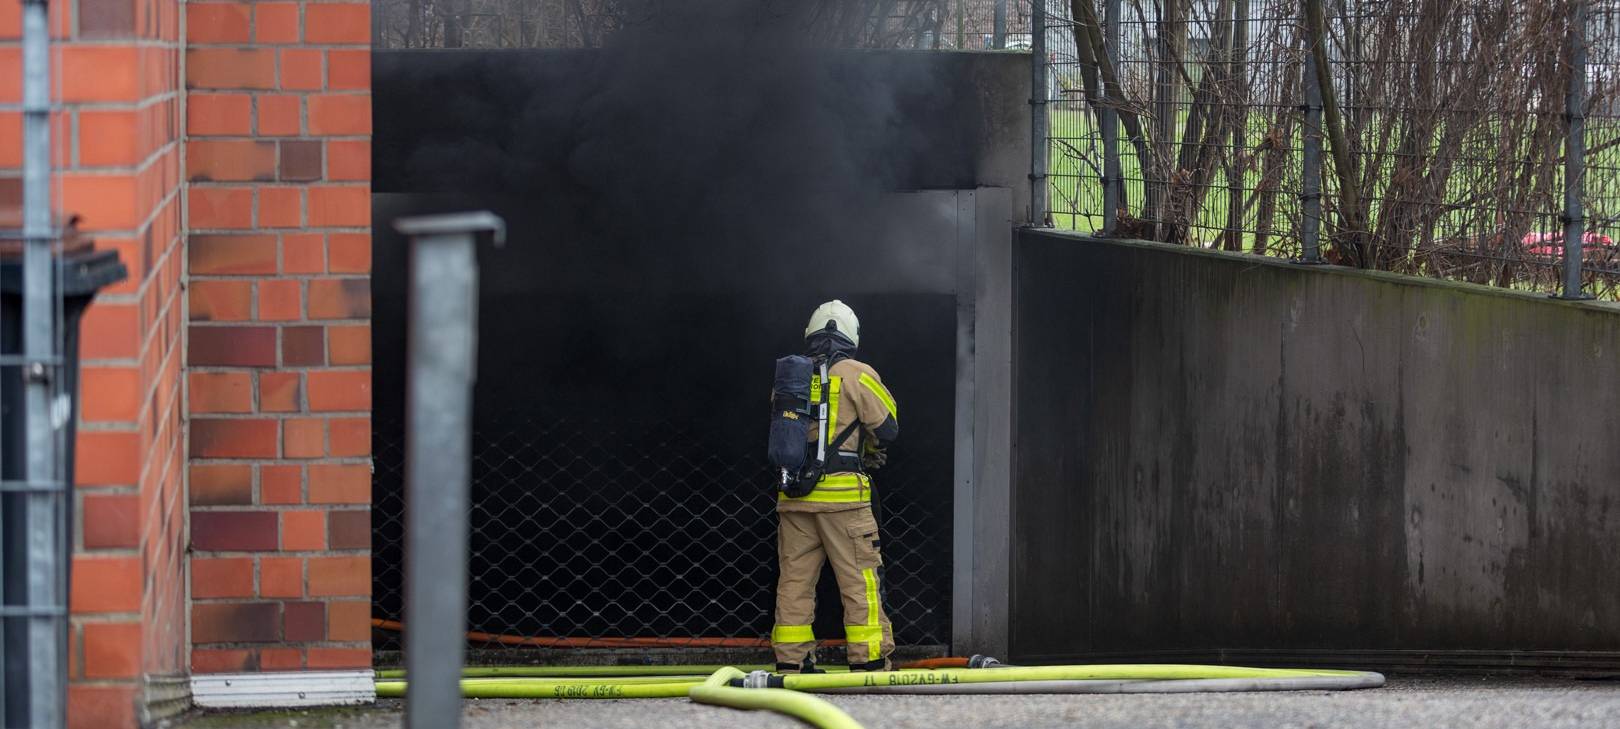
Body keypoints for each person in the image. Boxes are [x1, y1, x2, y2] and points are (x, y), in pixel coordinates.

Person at [772, 300, 900, 674]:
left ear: (810, 335)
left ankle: (792, 661)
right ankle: (869, 657)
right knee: (859, 579)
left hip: (793, 499)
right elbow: (888, 428)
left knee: (794, 581)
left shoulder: (791, 379)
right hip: (844, 501)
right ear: (851, 337)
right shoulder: (857, 374)